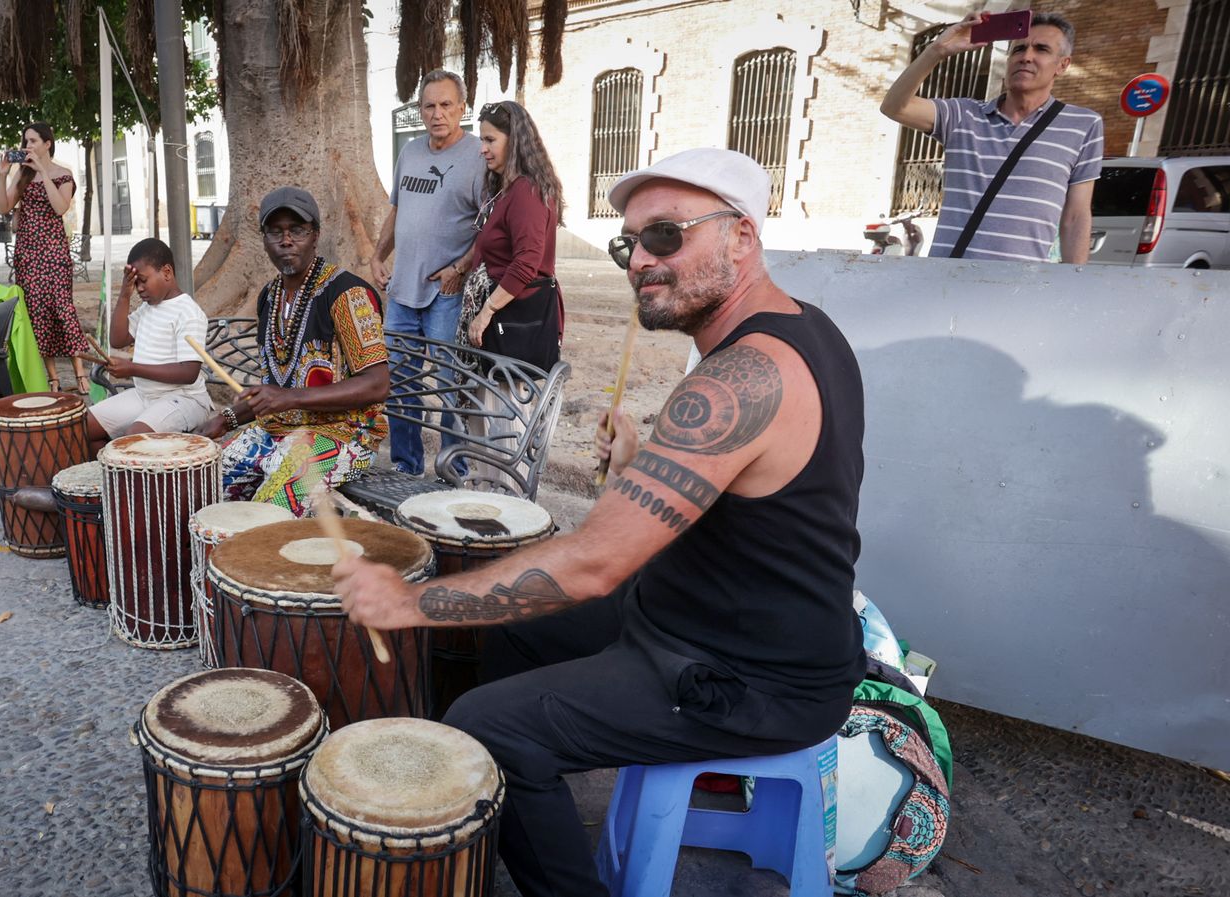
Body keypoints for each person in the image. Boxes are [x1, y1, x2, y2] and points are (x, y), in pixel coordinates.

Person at [332, 149, 866, 897]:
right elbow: (750, 497)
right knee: (514, 628)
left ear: (742, 236)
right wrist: (641, 459)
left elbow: (592, 562)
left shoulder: (743, 375)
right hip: (707, 622)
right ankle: (521, 812)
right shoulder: (800, 329)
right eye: (630, 243)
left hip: (751, 676)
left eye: (667, 236)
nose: (640, 260)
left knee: (488, 722)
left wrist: (408, 602)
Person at [199, 187, 390, 516]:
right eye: (276, 232)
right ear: (264, 240)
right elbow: (273, 392)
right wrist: (226, 418)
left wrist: (289, 398)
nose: (286, 240)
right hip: (277, 430)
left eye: (297, 230)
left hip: (343, 435)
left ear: (315, 236)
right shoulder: (269, 297)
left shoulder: (347, 294)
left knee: (267, 513)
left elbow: (377, 384)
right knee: (203, 486)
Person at [880, 12, 1102, 263]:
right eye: (1018, 49)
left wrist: (1072, 284)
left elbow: (1076, 216)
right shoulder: (962, 115)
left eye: (1041, 49)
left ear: (1062, 65)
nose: (1026, 57)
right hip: (945, 279)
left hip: (1020, 287)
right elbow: (894, 107)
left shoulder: (1083, 125)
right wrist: (938, 50)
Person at [369, 69, 484, 476]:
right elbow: (397, 212)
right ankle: (406, 466)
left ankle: (454, 470)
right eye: (429, 105)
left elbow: (489, 229)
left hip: (446, 294)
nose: (437, 114)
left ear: (462, 108)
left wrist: (459, 267)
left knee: (450, 385)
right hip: (402, 290)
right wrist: (378, 255)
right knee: (400, 383)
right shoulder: (411, 152)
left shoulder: (478, 156)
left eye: (446, 105)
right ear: (420, 110)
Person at [83, 238, 212, 453]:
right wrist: (125, 294)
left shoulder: (188, 312)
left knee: (132, 440)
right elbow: (118, 339)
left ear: (167, 272)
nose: (140, 288)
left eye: (143, 280)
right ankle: (107, 478)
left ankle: (129, 477)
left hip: (184, 399)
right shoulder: (148, 308)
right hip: (145, 396)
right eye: (135, 283)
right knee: (84, 426)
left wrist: (132, 368)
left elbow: (189, 372)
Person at [464, 100, 565, 369]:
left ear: (515, 142)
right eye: (481, 140)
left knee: (504, 405)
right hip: (503, 317)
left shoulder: (525, 192)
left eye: (490, 140)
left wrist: (487, 312)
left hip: (513, 321)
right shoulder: (505, 189)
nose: (482, 149)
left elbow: (526, 263)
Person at [0, 122, 88, 394]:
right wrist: (2, 176)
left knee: (62, 308)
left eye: (33, 141)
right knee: (37, 313)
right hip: (27, 252)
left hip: (54, 252)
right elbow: (4, 206)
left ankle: (80, 372)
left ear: (48, 143)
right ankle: (53, 378)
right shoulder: (22, 175)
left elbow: (60, 207)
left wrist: (43, 173)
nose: (28, 146)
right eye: (25, 141)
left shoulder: (63, 175)